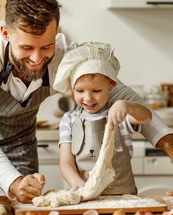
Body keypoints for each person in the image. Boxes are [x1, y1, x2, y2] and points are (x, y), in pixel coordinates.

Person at [0, 0, 173, 204]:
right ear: (5, 33)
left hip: (18, 139)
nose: (37, 59)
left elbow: (126, 97)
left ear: (57, 33)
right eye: (27, 47)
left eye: (46, 46)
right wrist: (13, 180)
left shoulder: (67, 57)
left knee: (23, 212)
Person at [53, 42, 152, 195]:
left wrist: (127, 106)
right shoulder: (69, 120)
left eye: (96, 90)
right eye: (79, 90)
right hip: (86, 196)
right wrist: (79, 185)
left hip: (122, 197)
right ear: (72, 88)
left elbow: (146, 117)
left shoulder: (120, 114)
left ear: (111, 84)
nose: (88, 98)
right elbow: (66, 163)